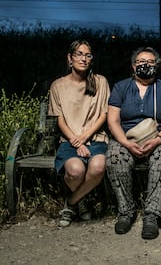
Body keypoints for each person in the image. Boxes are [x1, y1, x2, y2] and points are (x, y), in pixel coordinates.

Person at [105, 46, 161, 239]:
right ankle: (126, 211)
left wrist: (158, 140)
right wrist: (126, 143)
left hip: (159, 138)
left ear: (157, 66)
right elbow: (113, 120)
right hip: (126, 138)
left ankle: (152, 214)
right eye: (140, 62)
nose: (145, 65)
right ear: (133, 65)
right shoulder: (121, 87)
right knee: (114, 155)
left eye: (150, 62)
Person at [48, 39, 110, 227]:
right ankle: (83, 203)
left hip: (96, 138)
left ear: (92, 59)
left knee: (98, 167)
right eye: (79, 54)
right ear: (70, 58)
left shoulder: (100, 82)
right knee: (75, 171)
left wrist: (85, 138)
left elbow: (103, 115)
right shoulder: (58, 85)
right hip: (69, 140)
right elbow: (60, 119)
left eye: (87, 55)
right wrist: (77, 143)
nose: (83, 59)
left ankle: (72, 202)